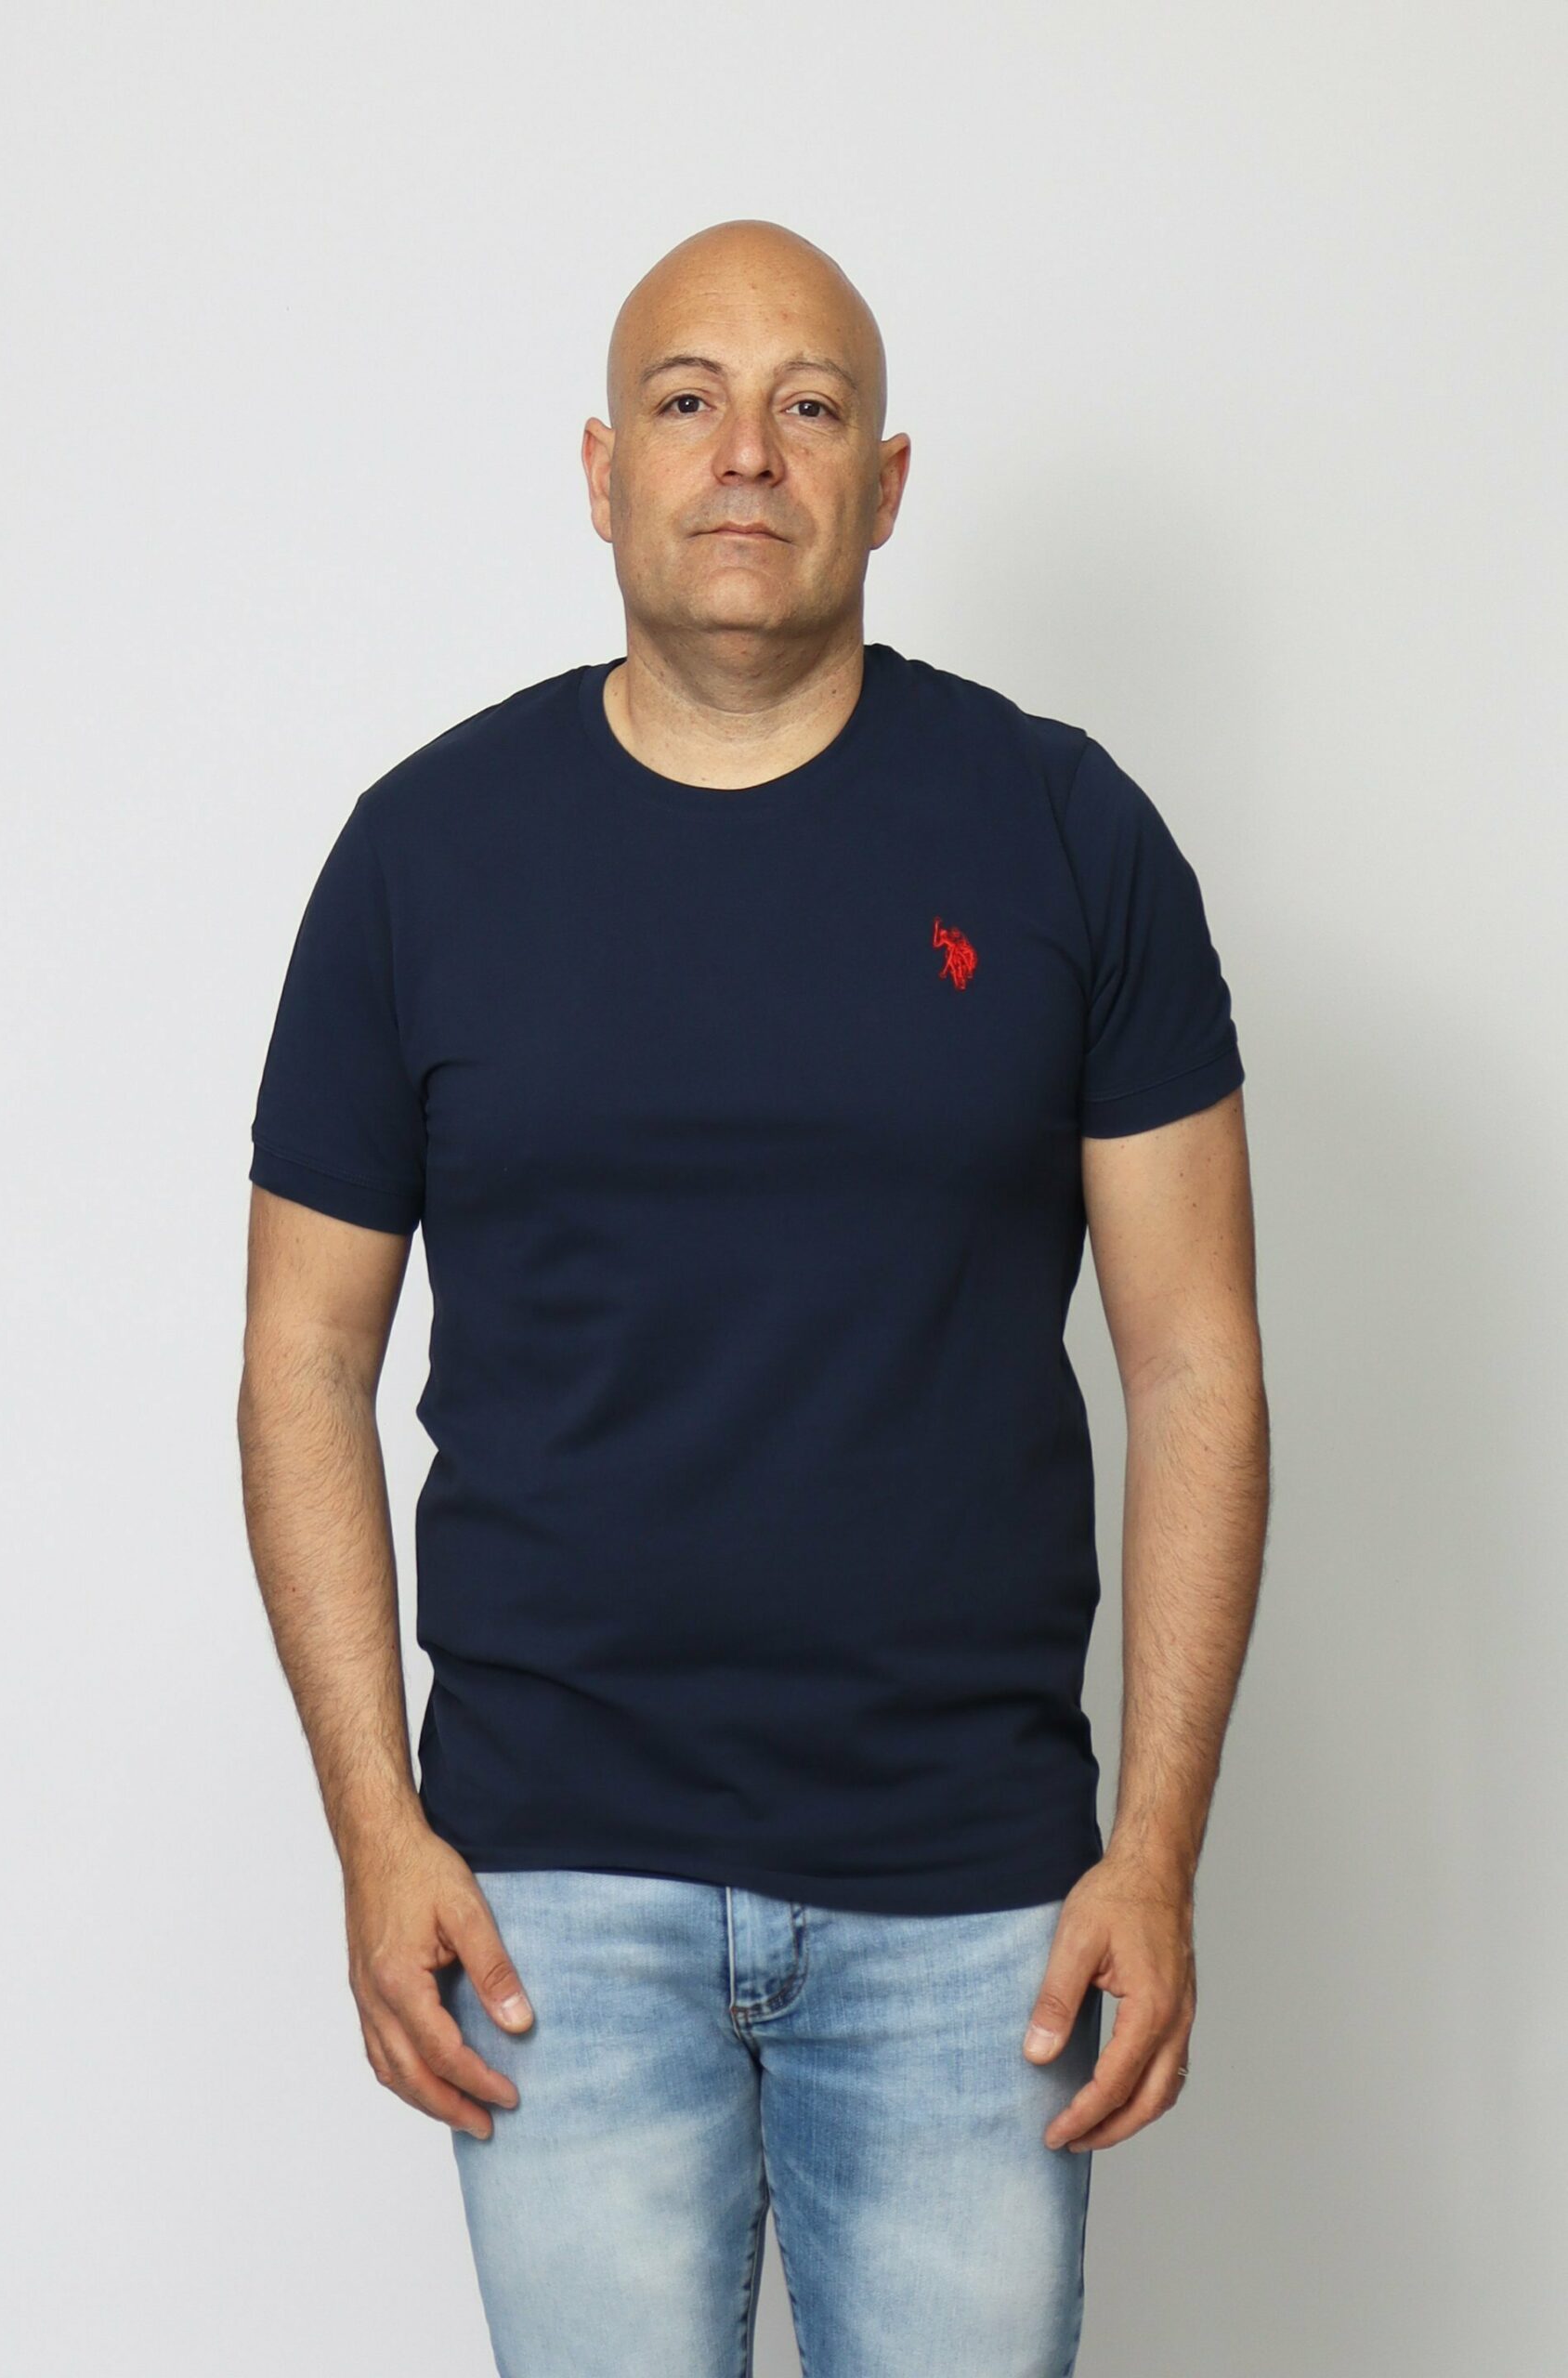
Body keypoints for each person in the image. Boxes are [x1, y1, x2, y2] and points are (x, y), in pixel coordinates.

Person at [238, 216, 1270, 2376]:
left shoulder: (1063, 833)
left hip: (972, 1892)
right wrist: (375, 1831)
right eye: (687, 401)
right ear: (600, 467)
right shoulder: (424, 853)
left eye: (809, 406)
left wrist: (1155, 1850)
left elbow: (1195, 1364)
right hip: (549, 1893)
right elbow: (301, 1362)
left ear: (883, 484)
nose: (745, 453)